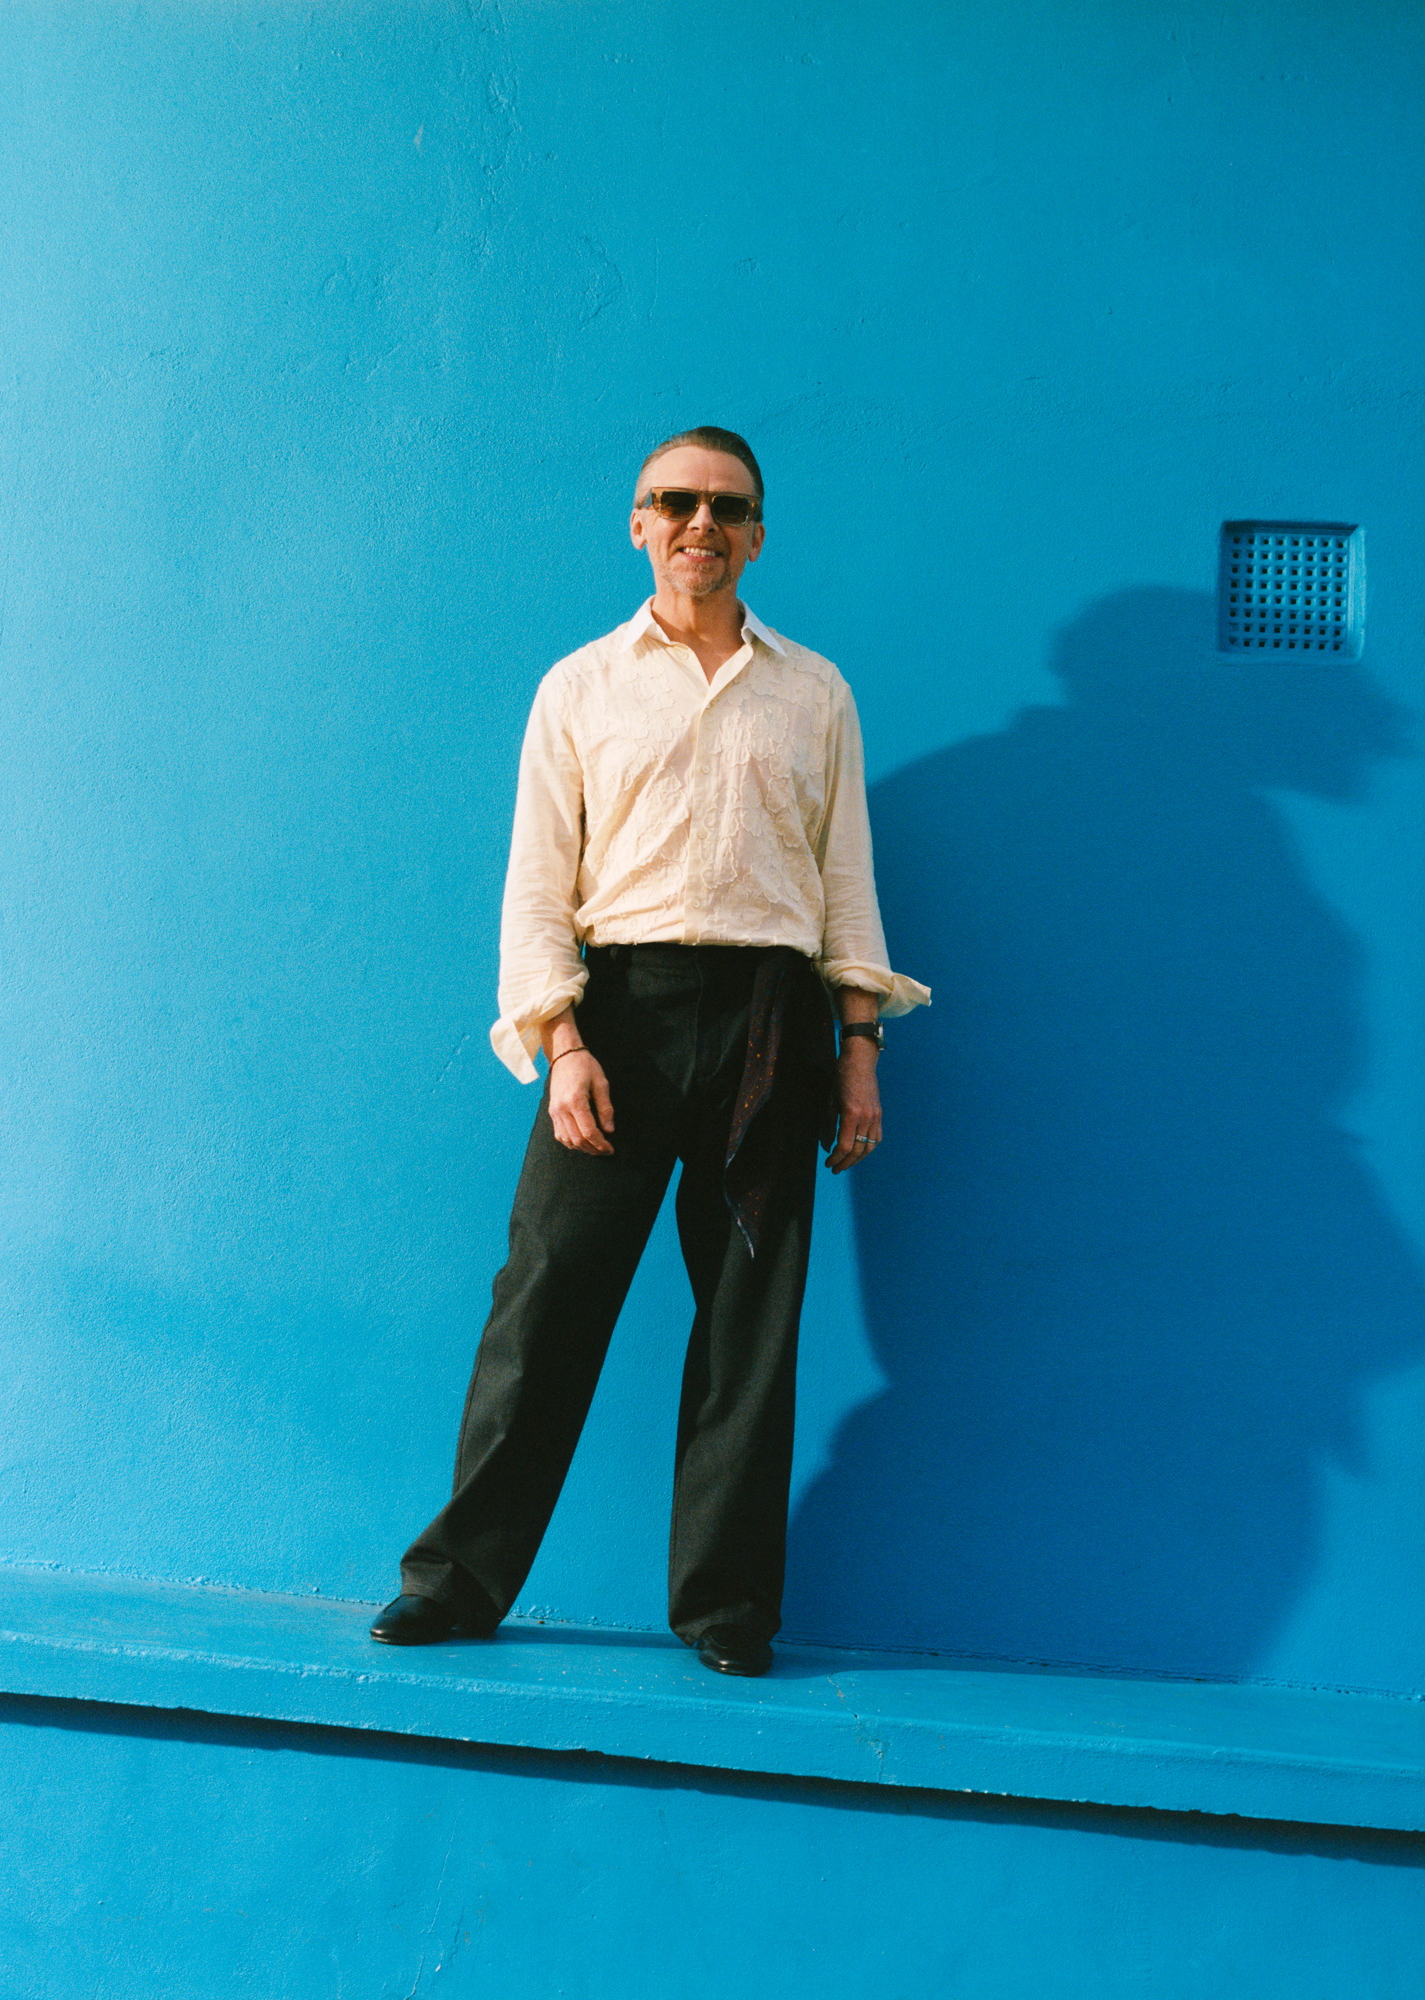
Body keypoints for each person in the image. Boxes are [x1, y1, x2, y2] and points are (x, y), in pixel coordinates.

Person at [371, 426, 928, 1675]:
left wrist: (859, 1046)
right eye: (675, 502)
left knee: (748, 1326)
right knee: (544, 1304)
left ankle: (726, 1609)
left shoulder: (814, 692)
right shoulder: (580, 686)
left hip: (772, 1025)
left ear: (757, 535)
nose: (700, 524)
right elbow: (537, 885)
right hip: (616, 1015)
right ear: (639, 524)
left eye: (726, 506)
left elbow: (845, 881)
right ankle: (454, 1582)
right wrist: (561, 1041)